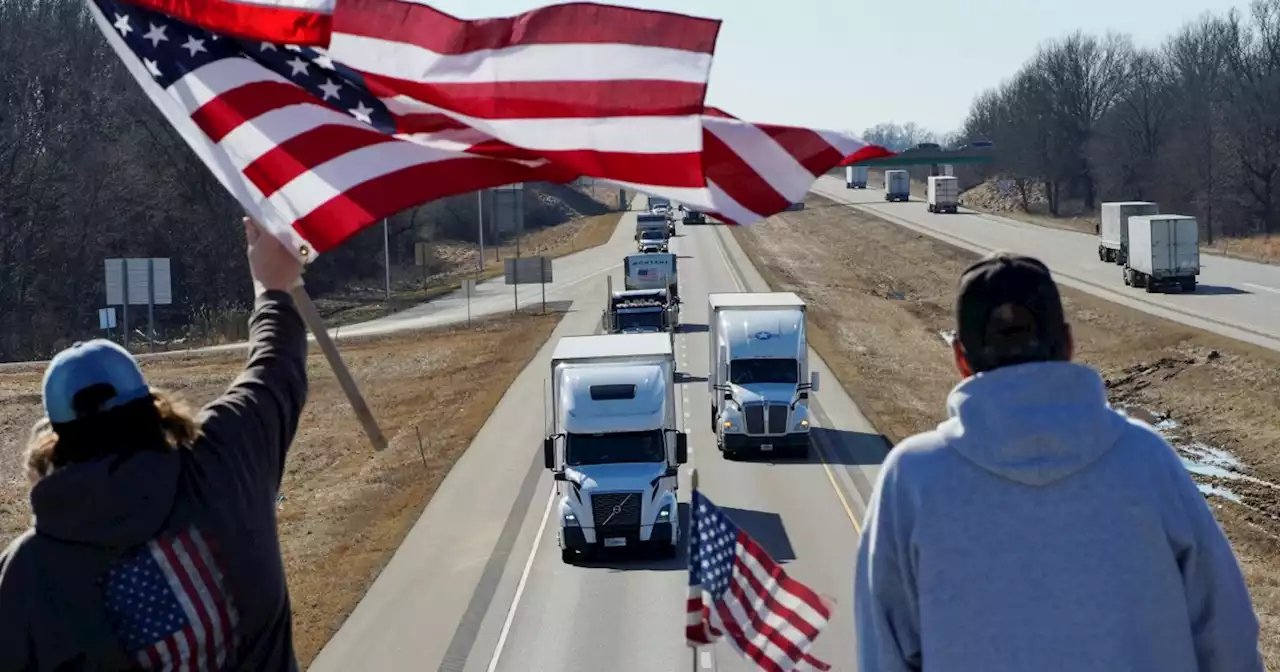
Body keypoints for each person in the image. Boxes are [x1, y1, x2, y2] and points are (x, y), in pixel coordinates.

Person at [854, 251, 1262, 672]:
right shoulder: (1148, 461)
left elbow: (883, 654)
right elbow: (1227, 636)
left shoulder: (912, 480)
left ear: (961, 357)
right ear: (1068, 343)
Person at [0, 217, 308, 671]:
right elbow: (275, 364)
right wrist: (271, 286)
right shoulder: (225, 456)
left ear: (54, 440)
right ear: (152, 405)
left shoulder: (26, 575)